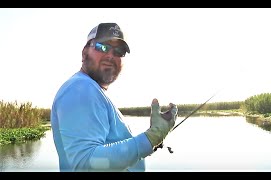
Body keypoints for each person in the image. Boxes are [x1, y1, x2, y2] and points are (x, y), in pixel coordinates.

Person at [50, 23, 178, 172]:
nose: (110, 55)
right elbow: (85, 164)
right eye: (102, 47)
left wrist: (147, 143)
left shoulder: (91, 90)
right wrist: (149, 139)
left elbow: (106, 151)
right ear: (85, 52)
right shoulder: (81, 88)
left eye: (119, 51)